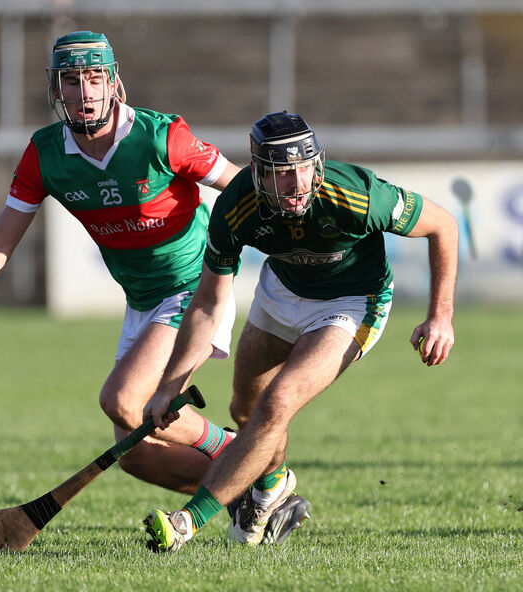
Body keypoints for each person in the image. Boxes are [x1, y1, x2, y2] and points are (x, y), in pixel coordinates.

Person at [0, 31, 242, 494]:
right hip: (142, 299)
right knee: (136, 452)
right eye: (72, 81)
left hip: (194, 289)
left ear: (113, 82)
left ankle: (248, 456)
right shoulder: (45, 155)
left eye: (95, 78)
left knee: (125, 401)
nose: (85, 92)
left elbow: (244, 190)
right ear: (56, 90)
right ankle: (246, 490)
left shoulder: (161, 137)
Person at [141, 111, 458, 552]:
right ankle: (272, 488)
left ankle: (187, 522)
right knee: (247, 412)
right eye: (281, 174)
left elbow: (443, 226)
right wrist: (172, 385)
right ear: (256, 173)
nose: (297, 184)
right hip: (281, 292)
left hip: (353, 304)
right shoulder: (236, 207)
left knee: (278, 404)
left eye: (304, 168)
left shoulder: (357, 194)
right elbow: (209, 304)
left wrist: (439, 316)